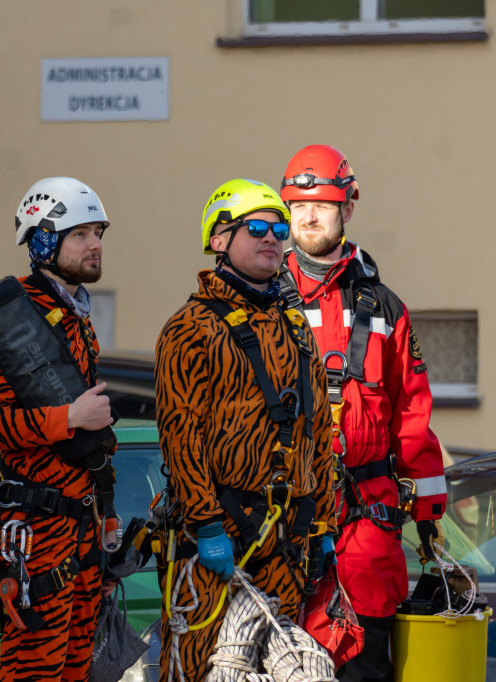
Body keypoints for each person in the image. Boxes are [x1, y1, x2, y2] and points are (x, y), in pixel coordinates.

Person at [154, 179, 336, 682]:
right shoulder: (190, 327)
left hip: (287, 538)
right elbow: (180, 435)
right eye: (257, 227)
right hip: (218, 540)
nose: (273, 237)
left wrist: (322, 526)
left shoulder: (296, 327)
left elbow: (318, 431)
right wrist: (207, 524)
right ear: (218, 239)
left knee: (282, 666)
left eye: (280, 228)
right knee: (199, 667)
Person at [276, 145, 447, 682]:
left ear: (348, 207)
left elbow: (412, 415)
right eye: (297, 206)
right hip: (278, 525)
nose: (307, 217)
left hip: (364, 530)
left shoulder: (384, 307)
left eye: (322, 205)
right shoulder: (260, 300)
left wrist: (430, 519)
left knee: (363, 668)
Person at [0, 176, 120, 682]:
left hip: (84, 524)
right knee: (32, 673)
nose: (95, 243)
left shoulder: (77, 316)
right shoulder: (11, 317)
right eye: (81, 234)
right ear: (44, 240)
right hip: (36, 531)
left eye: (98, 232)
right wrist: (69, 419)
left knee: (76, 671)